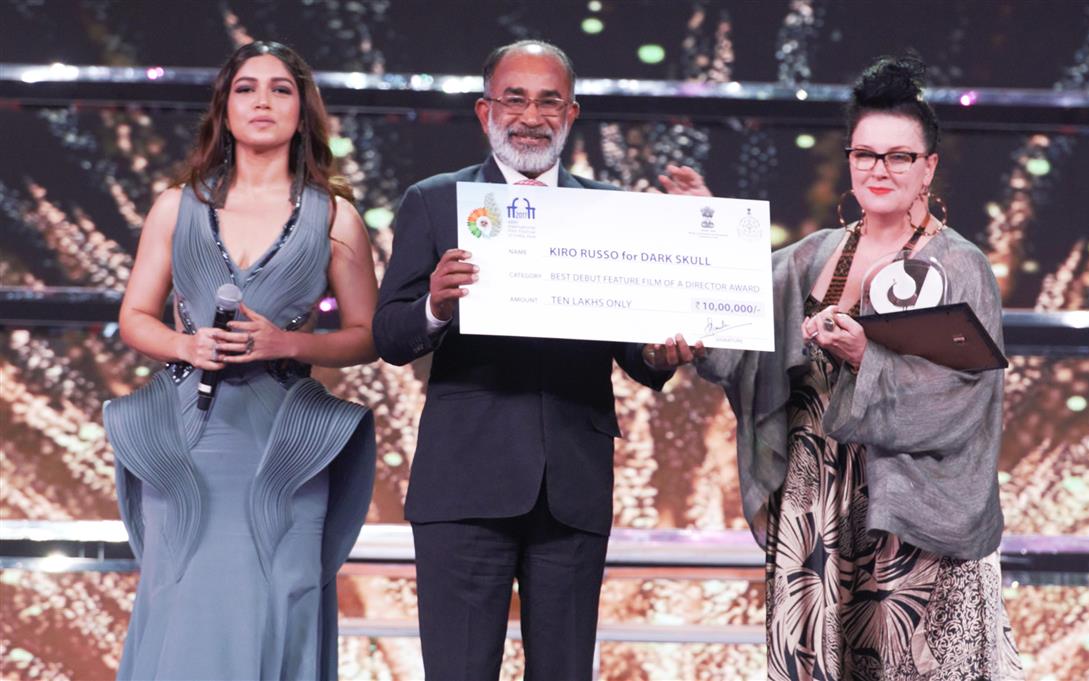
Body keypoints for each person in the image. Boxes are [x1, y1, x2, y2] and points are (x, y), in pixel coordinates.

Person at [372, 40, 701, 680]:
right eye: (514, 98)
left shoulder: (609, 211)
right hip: (463, 487)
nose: (531, 114)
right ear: (484, 110)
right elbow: (389, 335)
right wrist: (436, 307)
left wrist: (661, 354)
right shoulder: (435, 201)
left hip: (571, 489)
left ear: (572, 114)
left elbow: (634, 348)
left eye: (549, 100)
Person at [694, 55, 1023, 679]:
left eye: (900, 156)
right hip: (816, 510)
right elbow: (732, 334)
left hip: (913, 520)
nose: (880, 169)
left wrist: (865, 357)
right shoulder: (813, 255)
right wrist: (703, 242)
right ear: (849, 160)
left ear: (929, 167)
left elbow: (965, 402)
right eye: (866, 154)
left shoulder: (960, 265)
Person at [103, 41, 378, 680]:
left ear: (302, 112)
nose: (263, 101)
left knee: (282, 599)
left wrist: (291, 344)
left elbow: (367, 335)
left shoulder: (335, 217)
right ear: (224, 110)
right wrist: (186, 345)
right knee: (182, 608)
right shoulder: (177, 205)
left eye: (281, 89)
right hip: (188, 442)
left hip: (286, 445)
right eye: (247, 88)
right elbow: (134, 318)